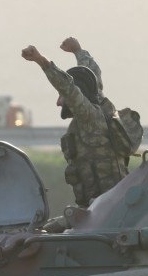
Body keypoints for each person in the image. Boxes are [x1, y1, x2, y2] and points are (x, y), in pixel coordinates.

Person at [22, 37, 128, 208]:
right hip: (100, 207)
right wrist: (78, 51)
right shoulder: (98, 109)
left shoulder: (90, 119)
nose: (58, 103)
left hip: (107, 209)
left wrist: (41, 61)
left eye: (60, 96)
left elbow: (69, 89)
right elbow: (92, 75)